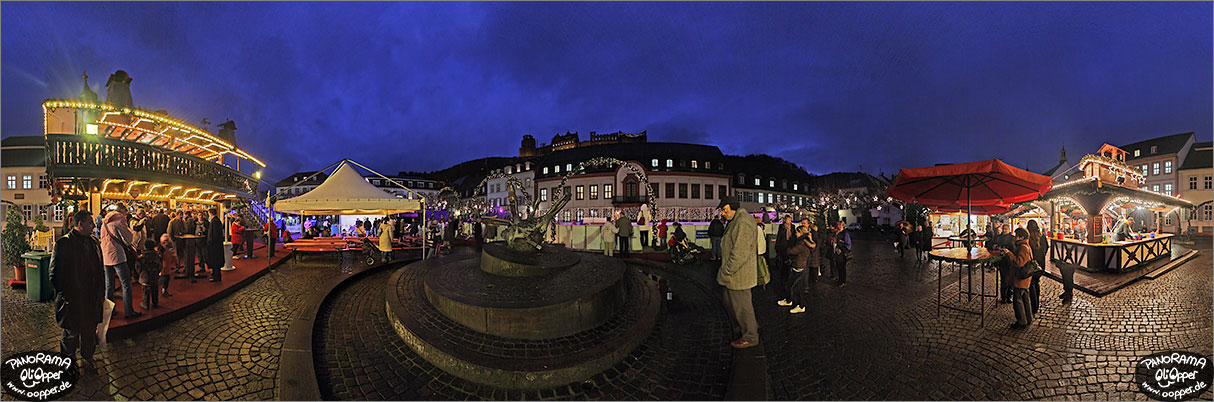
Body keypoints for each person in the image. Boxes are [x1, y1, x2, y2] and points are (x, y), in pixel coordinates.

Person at [51, 210, 106, 370]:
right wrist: (67, 296)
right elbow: (55, 275)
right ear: (80, 224)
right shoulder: (63, 244)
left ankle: (88, 357)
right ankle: (67, 362)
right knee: (71, 333)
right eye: (90, 222)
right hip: (72, 299)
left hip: (91, 297)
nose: (94, 225)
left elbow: (99, 270)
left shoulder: (94, 242)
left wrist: (100, 293)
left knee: (89, 332)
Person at [716, 197, 759, 348]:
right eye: (722, 210)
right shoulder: (736, 221)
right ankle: (741, 326)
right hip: (734, 274)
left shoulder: (742, 222)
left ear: (733, 207)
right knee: (731, 302)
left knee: (743, 306)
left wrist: (726, 271)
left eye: (725, 210)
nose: (723, 213)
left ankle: (751, 336)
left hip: (739, 275)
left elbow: (740, 253)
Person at [101, 204, 140, 318]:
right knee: (126, 284)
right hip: (117, 256)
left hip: (106, 256)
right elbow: (128, 239)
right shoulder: (119, 221)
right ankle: (129, 311)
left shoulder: (105, 221)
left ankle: (110, 311)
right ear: (122, 211)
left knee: (109, 285)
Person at [779, 223, 815, 314]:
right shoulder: (805, 241)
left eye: (797, 232)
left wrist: (786, 249)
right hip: (799, 265)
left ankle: (799, 304)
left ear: (800, 232)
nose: (795, 234)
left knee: (792, 286)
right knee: (796, 286)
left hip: (798, 266)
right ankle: (791, 300)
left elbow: (793, 251)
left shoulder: (801, 242)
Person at [1004, 228, 1035, 328]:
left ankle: (1021, 321)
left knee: (1018, 300)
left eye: (1017, 235)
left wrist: (1009, 253)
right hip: (1025, 279)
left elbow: (1018, 262)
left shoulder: (1023, 247)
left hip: (1020, 278)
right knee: (1025, 299)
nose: (1015, 237)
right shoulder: (1026, 246)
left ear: (1022, 237)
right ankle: (1028, 318)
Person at [1027, 220, 1049, 310]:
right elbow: (1047, 247)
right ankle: (1036, 304)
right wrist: (1042, 254)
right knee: (1036, 283)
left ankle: (1033, 305)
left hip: (1032, 263)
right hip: (1041, 263)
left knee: (1031, 284)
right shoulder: (1042, 236)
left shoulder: (1028, 237)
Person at [138, 239, 161, 309]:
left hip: (145, 276)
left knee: (146, 291)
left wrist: (139, 273)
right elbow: (160, 265)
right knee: (155, 289)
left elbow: (138, 266)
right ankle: (155, 302)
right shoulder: (157, 255)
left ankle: (145, 304)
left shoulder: (142, 256)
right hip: (154, 275)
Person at [831, 221, 852, 287]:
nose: (838, 226)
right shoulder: (836, 233)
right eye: (838, 225)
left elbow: (848, 244)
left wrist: (842, 249)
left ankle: (843, 281)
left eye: (840, 225)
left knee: (842, 267)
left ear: (843, 225)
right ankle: (839, 279)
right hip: (835, 251)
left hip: (841, 253)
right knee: (837, 266)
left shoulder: (845, 233)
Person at [206, 208, 224, 282]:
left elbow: (215, 235)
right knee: (216, 261)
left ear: (210, 213)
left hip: (214, 245)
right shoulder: (216, 221)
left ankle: (216, 277)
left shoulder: (214, 222)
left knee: (215, 261)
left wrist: (210, 242)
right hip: (216, 245)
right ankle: (215, 275)